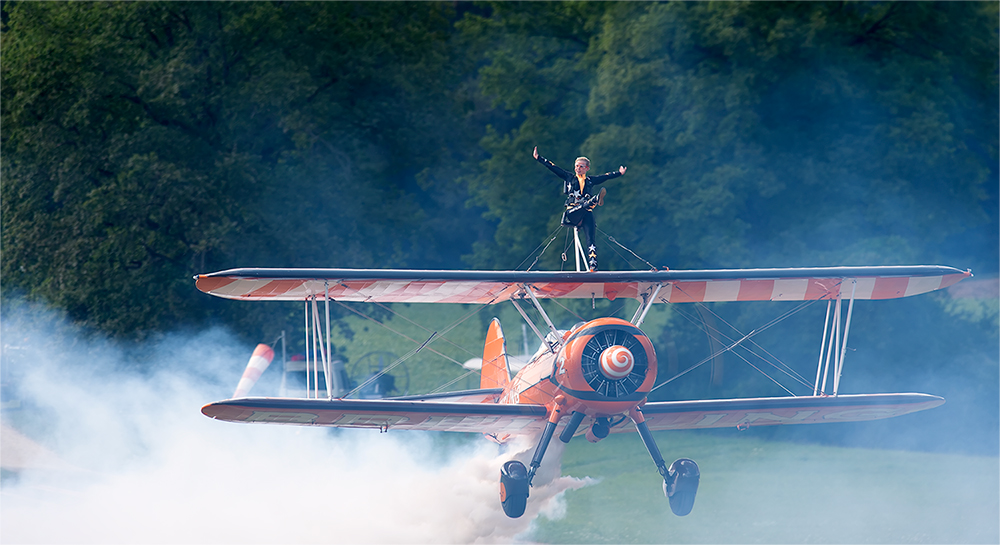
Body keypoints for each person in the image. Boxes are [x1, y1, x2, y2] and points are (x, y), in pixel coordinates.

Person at [533, 146, 626, 271]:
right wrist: (539, 158)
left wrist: (619, 173)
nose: (578, 168)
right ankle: (594, 200)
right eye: (577, 166)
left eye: (581, 166)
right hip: (572, 214)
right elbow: (553, 167)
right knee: (586, 205)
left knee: (591, 239)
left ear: (587, 168)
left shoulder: (590, 180)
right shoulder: (569, 177)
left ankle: (593, 266)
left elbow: (605, 176)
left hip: (586, 212)